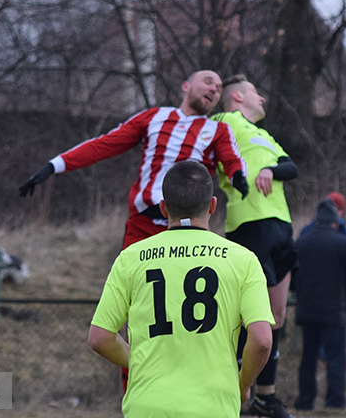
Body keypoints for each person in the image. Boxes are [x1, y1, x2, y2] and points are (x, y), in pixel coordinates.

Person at [88, 161, 274, 417]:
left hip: (147, 407)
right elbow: (262, 341)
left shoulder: (131, 258)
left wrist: (141, 361)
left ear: (163, 208)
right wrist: (243, 384)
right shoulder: (243, 260)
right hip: (214, 408)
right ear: (212, 206)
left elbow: (100, 338)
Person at [19, 69, 249, 250]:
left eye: (219, 88)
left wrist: (238, 176)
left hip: (188, 226)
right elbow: (105, 144)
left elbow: (232, 160)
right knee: (132, 287)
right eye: (208, 82)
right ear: (185, 86)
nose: (214, 89)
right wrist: (54, 165)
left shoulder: (219, 129)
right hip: (143, 224)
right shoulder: (154, 117)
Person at [212, 75, 298, 418]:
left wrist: (271, 170)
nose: (262, 98)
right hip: (250, 226)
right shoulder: (225, 121)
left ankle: (265, 398)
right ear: (237, 96)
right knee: (247, 318)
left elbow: (291, 167)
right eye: (255, 92)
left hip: (282, 226)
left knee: (276, 316)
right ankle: (231, 394)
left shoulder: (264, 136)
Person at [292, 199, 346, 411]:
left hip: (307, 310)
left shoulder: (301, 243)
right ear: (335, 222)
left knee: (308, 358)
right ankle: (334, 402)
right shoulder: (343, 243)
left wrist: (302, 296)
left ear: (316, 220)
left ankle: (305, 401)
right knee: (335, 359)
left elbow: (293, 277)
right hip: (334, 312)